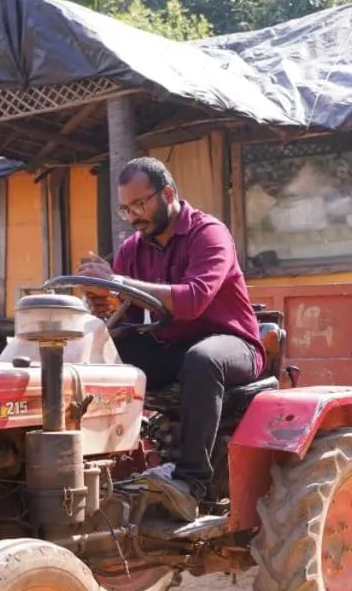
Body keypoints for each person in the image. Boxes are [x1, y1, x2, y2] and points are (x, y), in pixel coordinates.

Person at [78, 157, 265, 522]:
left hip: (232, 345)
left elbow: (194, 300)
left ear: (167, 194)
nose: (133, 216)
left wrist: (121, 283)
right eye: (125, 209)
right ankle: (109, 465)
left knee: (203, 359)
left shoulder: (209, 234)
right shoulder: (133, 249)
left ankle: (191, 484)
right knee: (106, 344)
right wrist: (103, 302)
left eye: (140, 204)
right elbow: (127, 319)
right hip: (174, 349)